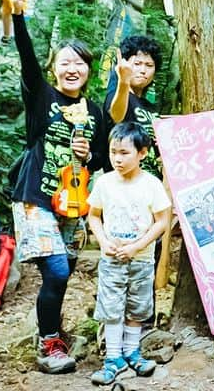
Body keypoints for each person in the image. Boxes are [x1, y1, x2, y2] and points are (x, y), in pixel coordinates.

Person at [7, 0, 108, 373]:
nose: (72, 69)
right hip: (35, 196)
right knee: (59, 270)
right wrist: (18, 16)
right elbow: (26, 59)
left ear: (88, 70)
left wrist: (89, 156)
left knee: (60, 274)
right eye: (65, 62)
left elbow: (103, 158)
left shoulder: (95, 111)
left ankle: (52, 332)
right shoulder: (42, 96)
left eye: (79, 63)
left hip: (74, 203)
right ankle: (49, 345)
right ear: (53, 68)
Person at [86, 123, 171, 385]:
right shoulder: (104, 182)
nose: (117, 159)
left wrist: (138, 245)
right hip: (111, 258)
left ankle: (132, 352)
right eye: (113, 152)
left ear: (142, 153)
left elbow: (161, 221)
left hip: (142, 259)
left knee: (138, 306)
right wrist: (102, 241)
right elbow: (93, 215)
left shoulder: (152, 184)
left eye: (124, 153)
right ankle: (113, 358)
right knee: (111, 307)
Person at [105, 34, 163, 177]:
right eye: (137, 64)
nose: (143, 70)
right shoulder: (117, 95)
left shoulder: (151, 107)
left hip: (151, 182)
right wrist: (123, 81)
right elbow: (117, 116)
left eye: (149, 65)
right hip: (123, 183)